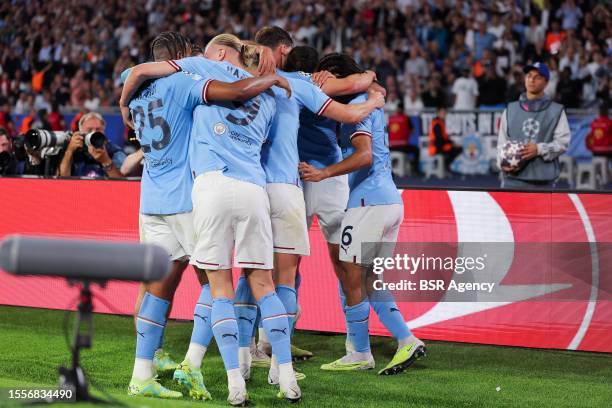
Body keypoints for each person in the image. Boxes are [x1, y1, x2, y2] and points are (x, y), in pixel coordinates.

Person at [121, 34, 298, 405]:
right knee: (213, 284)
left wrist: (123, 102)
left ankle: (142, 375)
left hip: (150, 200)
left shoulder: (136, 90)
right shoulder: (186, 83)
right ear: (185, 56)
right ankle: (192, 363)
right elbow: (234, 93)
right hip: (185, 198)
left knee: (158, 289)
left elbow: (132, 74)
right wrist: (271, 77)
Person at [251, 35, 384, 384]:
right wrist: (371, 80)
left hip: (297, 177)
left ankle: (268, 343)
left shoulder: (276, 83)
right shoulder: (322, 84)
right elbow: (363, 81)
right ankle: (357, 348)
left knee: (279, 263)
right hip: (321, 178)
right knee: (343, 264)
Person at [298, 53, 426, 375]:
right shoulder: (369, 102)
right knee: (370, 280)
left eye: (325, 77)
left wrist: (324, 173)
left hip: (367, 204)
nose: (321, 84)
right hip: (390, 203)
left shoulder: (354, 108)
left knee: (350, 277)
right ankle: (406, 340)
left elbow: (364, 155)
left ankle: (360, 353)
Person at [498, 62, 571, 189]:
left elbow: (562, 143)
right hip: (512, 180)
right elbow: (501, 144)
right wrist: (502, 163)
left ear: (546, 82)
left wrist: (539, 149)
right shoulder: (510, 109)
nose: (531, 80)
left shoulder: (556, 111)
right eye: (529, 76)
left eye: (537, 77)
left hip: (543, 182)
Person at [58, 112, 126, 178]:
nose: (94, 133)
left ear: (104, 131)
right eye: (89, 130)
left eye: (98, 129)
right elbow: (63, 178)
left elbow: (123, 184)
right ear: (80, 132)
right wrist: (70, 150)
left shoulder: (114, 151)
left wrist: (106, 161)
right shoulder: (74, 150)